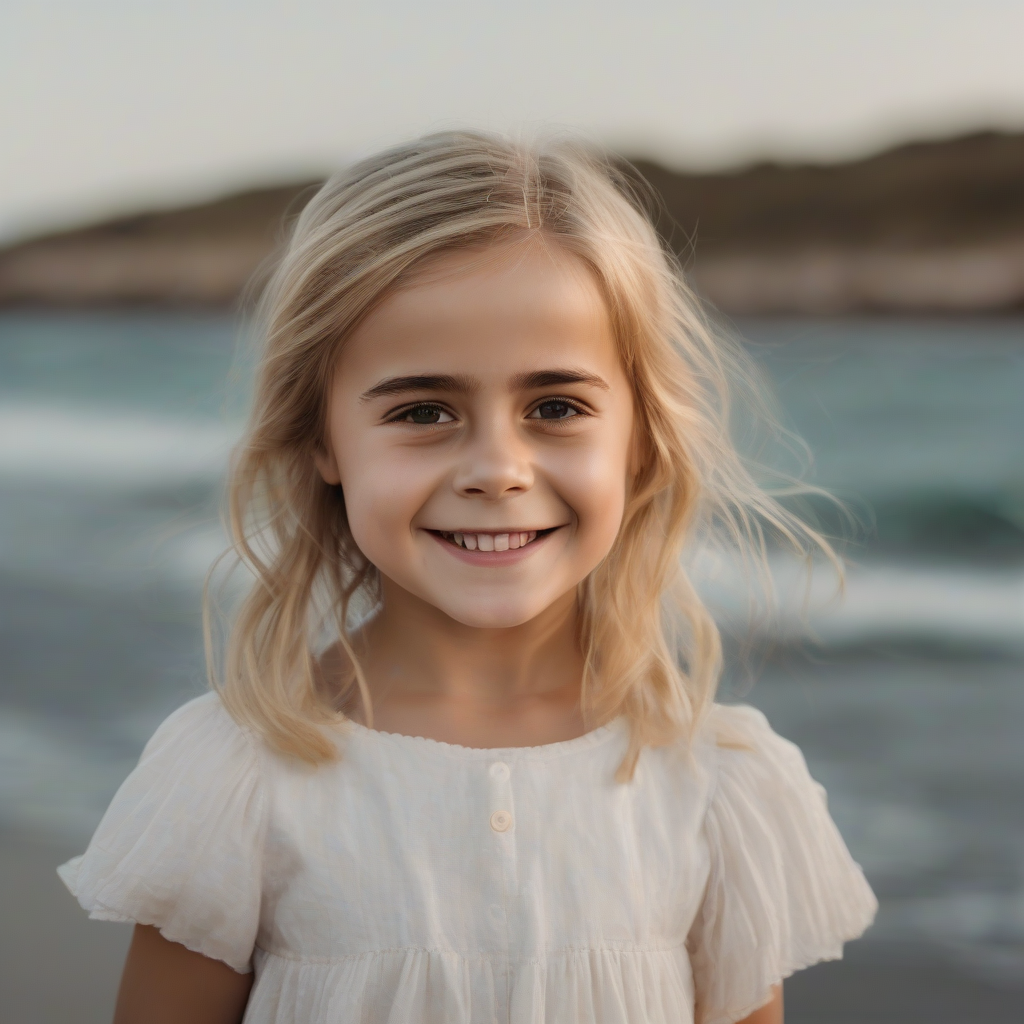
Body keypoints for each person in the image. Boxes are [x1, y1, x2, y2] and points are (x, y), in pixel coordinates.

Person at [59, 131, 876, 1024]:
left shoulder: (716, 787)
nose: (498, 469)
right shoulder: (243, 777)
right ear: (321, 439)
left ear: (640, 439)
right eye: (423, 410)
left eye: (556, 407)